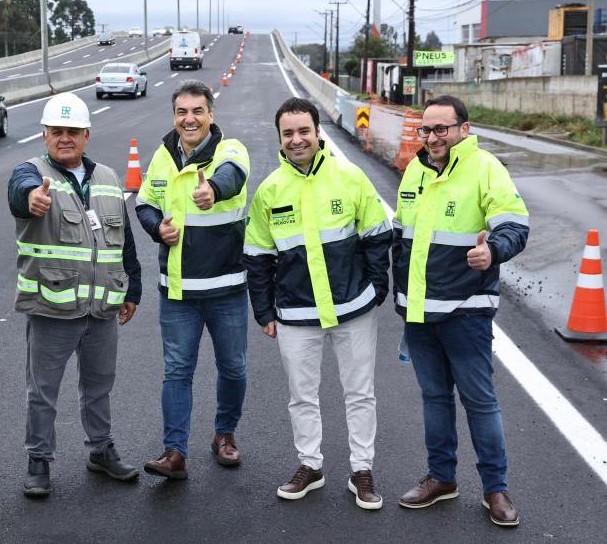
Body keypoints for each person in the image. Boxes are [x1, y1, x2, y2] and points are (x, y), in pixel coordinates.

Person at [244, 97, 391, 509]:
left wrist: (376, 288)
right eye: (288, 133)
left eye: (303, 131)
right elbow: (257, 256)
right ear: (279, 138)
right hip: (295, 313)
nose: (297, 139)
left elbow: (378, 235)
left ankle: (362, 470)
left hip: (353, 309)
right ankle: (310, 465)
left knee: (359, 393)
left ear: (317, 131)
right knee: (301, 396)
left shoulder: (350, 176)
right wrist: (264, 310)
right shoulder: (270, 191)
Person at [393, 95, 528, 527]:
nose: (433, 137)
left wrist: (494, 251)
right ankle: (441, 477)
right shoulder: (415, 170)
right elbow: (402, 236)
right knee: (434, 398)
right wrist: (398, 293)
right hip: (420, 312)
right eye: (426, 129)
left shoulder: (485, 168)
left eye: (442, 129)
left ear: (463, 129)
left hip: (466, 311)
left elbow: (514, 223)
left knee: (480, 402)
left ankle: (496, 489)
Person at [7, 92, 142, 497]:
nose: (65, 138)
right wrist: (31, 198)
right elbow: (20, 192)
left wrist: (132, 288)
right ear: (45, 135)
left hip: (102, 308)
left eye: (73, 131)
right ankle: (38, 459)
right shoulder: (30, 173)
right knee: (43, 391)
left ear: (86, 135)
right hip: (53, 307)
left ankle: (101, 450)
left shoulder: (109, 178)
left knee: (99, 386)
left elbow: (124, 240)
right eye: (57, 131)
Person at [136, 80, 250, 479]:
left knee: (233, 368)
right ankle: (175, 452)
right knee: (177, 372)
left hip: (226, 288)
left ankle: (224, 435)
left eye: (197, 111)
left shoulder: (230, 149)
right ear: (174, 116)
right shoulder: (162, 156)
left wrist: (213, 190)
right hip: (178, 291)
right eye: (182, 112)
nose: (190, 119)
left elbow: (233, 176)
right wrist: (156, 228)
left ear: (210, 115)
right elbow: (145, 202)